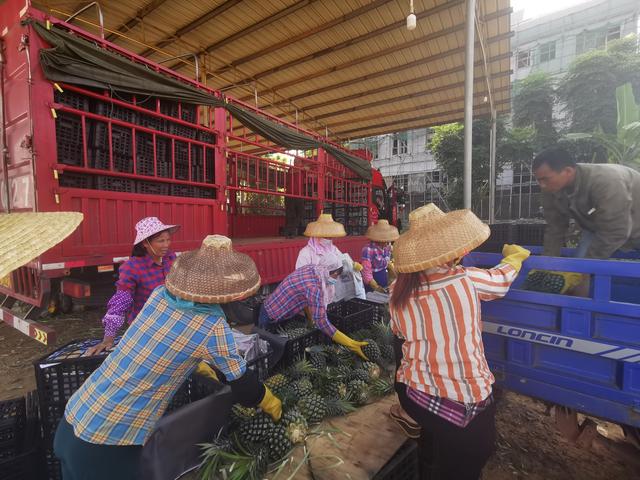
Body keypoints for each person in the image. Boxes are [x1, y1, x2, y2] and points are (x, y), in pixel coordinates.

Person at [54, 235, 282, 480]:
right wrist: (269, 401)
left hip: (73, 419)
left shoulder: (159, 296)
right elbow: (244, 387)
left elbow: (163, 343)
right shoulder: (212, 326)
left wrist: (199, 366)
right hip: (106, 443)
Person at [389, 204, 529, 480]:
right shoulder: (466, 280)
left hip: (411, 394)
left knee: (443, 450)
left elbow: (399, 332)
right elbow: (501, 280)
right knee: (473, 456)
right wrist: (514, 259)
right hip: (462, 402)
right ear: (451, 252)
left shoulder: (396, 291)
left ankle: (425, 438)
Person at [86, 217, 178, 356]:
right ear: (145, 243)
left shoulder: (170, 259)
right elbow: (121, 301)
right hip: (146, 330)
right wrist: (108, 338)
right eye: (161, 241)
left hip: (173, 324)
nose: (166, 244)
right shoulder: (132, 267)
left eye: (168, 239)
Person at [533, 146, 640, 260]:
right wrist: (547, 262)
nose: (542, 185)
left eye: (545, 179)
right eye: (538, 180)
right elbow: (555, 228)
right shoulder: (551, 188)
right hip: (598, 228)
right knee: (580, 265)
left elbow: (616, 230)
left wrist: (589, 265)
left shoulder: (605, 182)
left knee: (586, 266)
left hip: (628, 226)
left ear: (568, 171)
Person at [258, 252, 369, 360]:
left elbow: (305, 297)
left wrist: (311, 320)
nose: (336, 279)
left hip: (273, 306)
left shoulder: (313, 269)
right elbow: (322, 323)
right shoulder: (314, 287)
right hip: (271, 316)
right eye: (336, 276)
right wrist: (352, 344)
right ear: (334, 273)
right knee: (268, 352)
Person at [361, 219, 399, 293]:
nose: (386, 242)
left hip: (383, 276)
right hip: (372, 278)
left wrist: (394, 274)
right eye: (384, 240)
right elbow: (366, 270)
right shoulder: (368, 249)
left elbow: (387, 263)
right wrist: (375, 286)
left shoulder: (387, 247)